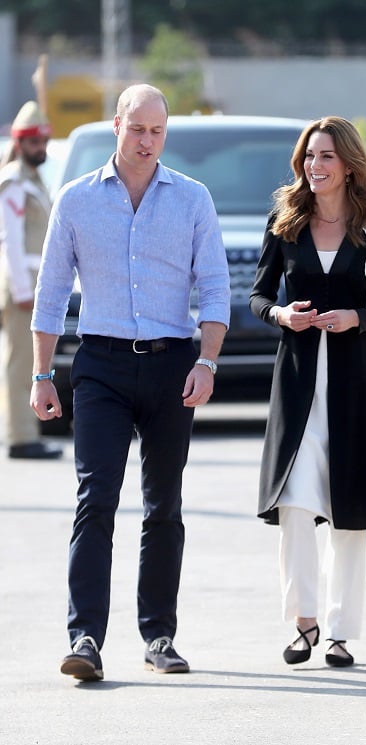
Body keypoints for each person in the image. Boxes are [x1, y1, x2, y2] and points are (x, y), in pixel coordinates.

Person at [30, 84, 231, 682]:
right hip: (101, 366)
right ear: (116, 125)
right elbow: (49, 293)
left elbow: (215, 287)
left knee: (163, 505)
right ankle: (85, 636)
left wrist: (208, 362)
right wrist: (41, 374)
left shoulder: (192, 199)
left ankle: (159, 635)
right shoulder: (75, 199)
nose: (147, 141)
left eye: (157, 132)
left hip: (173, 365)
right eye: (137, 129)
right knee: (96, 499)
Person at [250, 116, 366, 668]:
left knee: (350, 509)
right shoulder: (286, 220)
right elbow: (258, 295)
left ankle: (341, 631)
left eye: (325, 158)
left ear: (348, 165)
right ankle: (304, 622)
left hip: (353, 382)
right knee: (294, 504)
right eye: (308, 157)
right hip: (296, 382)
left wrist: (357, 318)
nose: (314, 167)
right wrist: (280, 314)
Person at [0, 101, 62, 459]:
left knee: (30, 362)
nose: (40, 149)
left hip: (37, 283)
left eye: (43, 142)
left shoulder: (35, 179)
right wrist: (24, 291)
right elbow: (9, 241)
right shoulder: (12, 182)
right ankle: (21, 438)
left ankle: (27, 432)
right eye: (33, 143)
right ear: (20, 143)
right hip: (23, 286)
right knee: (22, 363)